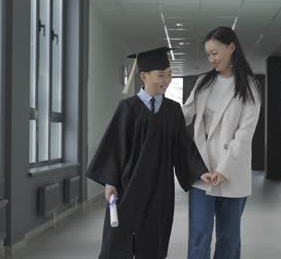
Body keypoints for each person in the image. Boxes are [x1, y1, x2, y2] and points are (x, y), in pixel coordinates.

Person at [87, 46, 210, 259]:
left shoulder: (173, 110)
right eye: (161, 75)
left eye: (170, 74)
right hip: (128, 186)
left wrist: (200, 171)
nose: (167, 80)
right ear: (144, 76)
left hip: (160, 189)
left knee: (154, 241)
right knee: (117, 243)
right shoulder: (127, 108)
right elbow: (114, 147)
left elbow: (183, 146)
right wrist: (110, 183)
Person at [183, 27, 262, 259]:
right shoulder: (203, 83)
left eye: (215, 52)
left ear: (232, 47)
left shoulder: (250, 86)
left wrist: (224, 170)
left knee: (229, 238)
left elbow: (245, 134)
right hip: (202, 170)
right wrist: (156, 105)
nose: (212, 59)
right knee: (198, 236)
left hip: (232, 171)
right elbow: (185, 114)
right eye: (208, 54)